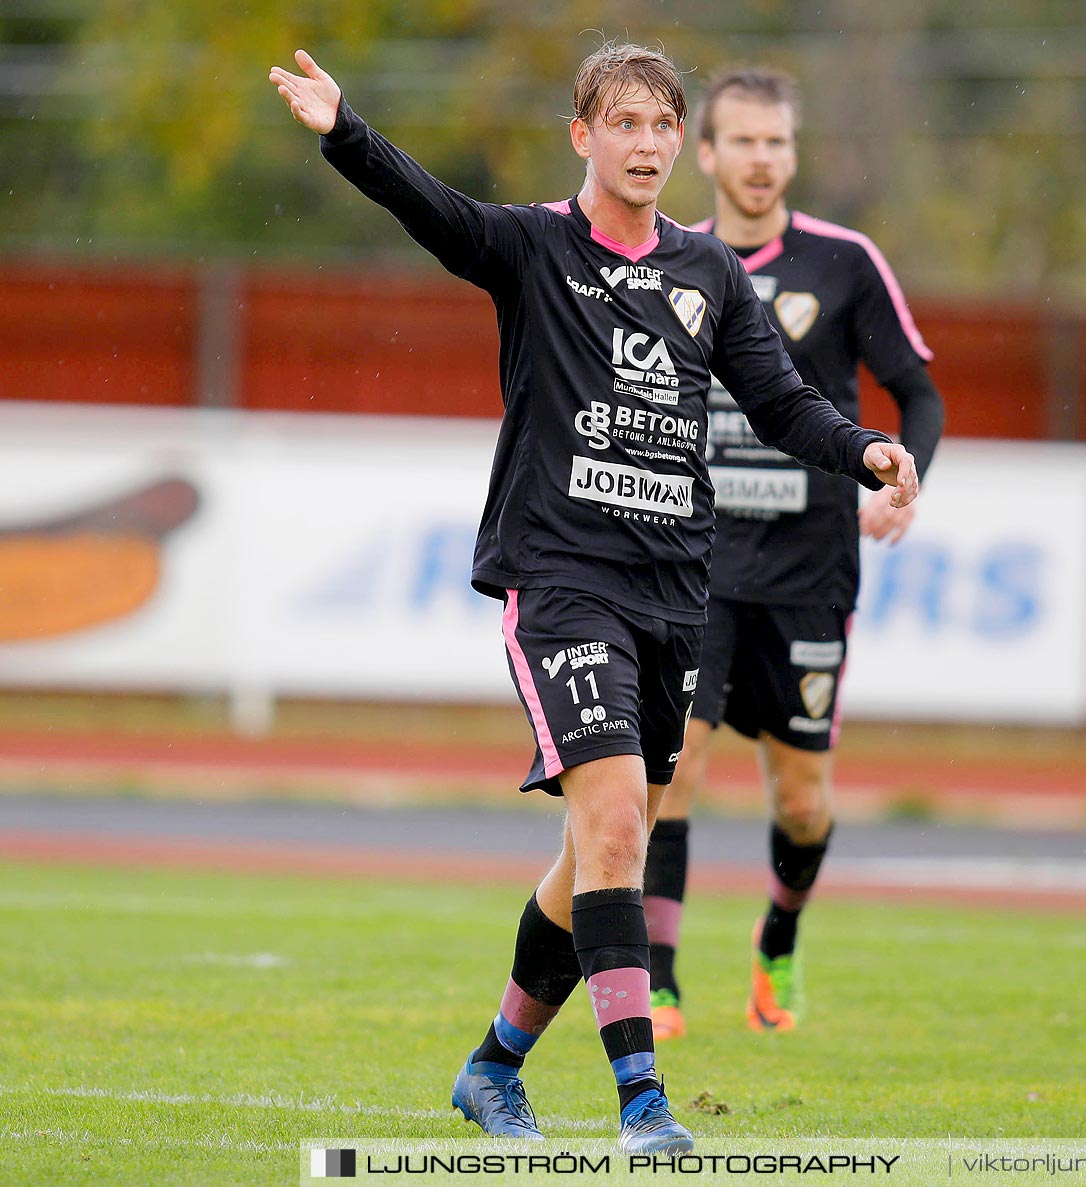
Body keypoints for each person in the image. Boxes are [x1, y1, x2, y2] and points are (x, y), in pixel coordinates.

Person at [267, 42, 919, 1151]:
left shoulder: (709, 272)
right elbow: (431, 210)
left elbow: (780, 403)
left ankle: (494, 1064)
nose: (650, 144)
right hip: (561, 579)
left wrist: (864, 449)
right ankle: (644, 1104)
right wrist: (346, 132)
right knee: (617, 819)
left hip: (672, 590)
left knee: (594, 850)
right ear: (583, 134)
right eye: (626, 122)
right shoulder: (532, 247)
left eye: (665, 125)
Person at [642, 68, 945, 1039]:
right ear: (709, 154)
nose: (761, 159)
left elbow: (919, 394)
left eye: (777, 142)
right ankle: (661, 978)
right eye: (743, 141)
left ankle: (777, 941)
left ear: (792, 153)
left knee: (804, 799)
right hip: (696, 563)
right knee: (672, 769)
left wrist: (908, 478)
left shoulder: (845, 262)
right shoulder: (672, 257)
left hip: (813, 570)